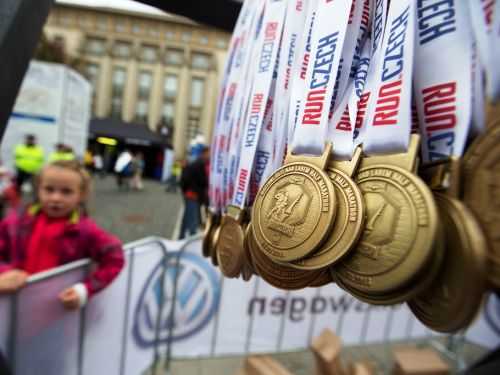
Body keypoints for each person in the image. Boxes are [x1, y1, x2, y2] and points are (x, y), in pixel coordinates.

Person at [0, 160, 125, 310]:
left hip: (57, 313)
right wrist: (5, 273)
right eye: (49, 189)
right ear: (38, 189)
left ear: (81, 195)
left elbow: (115, 257)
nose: (56, 198)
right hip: (12, 307)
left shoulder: (86, 230)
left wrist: (84, 290)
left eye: (66, 192)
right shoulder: (15, 222)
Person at [179, 147, 209, 239]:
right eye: (208, 153)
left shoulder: (197, 163)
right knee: (193, 222)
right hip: (193, 196)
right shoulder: (199, 164)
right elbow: (201, 181)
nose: (209, 156)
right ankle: (189, 242)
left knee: (186, 219)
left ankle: (181, 238)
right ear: (204, 153)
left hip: (191, 195)